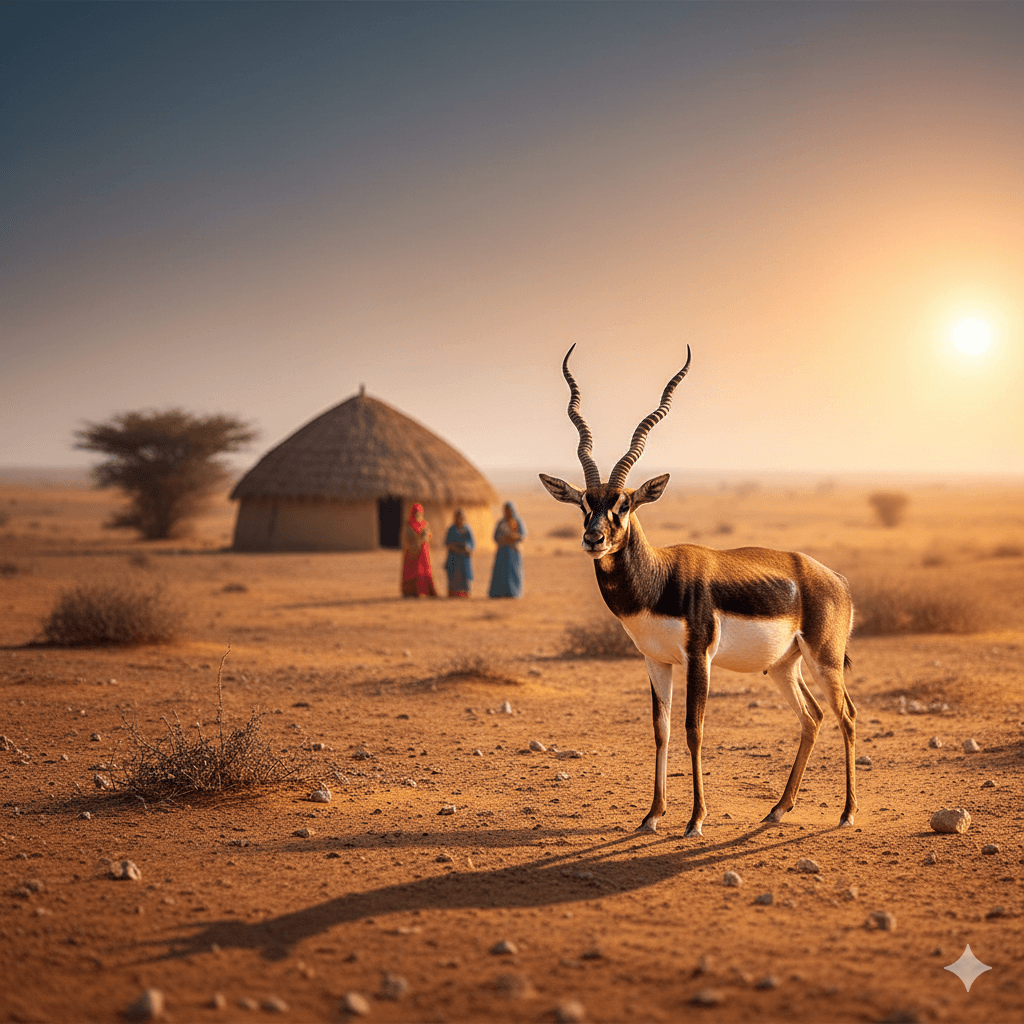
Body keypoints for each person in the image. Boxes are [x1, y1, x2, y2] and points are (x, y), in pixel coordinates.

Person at [488, 501, 526, 598]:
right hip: (502, 551)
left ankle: (513, 592)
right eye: (505, 510)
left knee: (513, 572)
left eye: (509, 510)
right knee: (501, 572)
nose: (507, 512)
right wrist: (503, 539)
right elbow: (495, 536)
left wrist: (514, 537)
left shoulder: (517, 522)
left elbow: (522, 535)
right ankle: (499, 592)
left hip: (513, 552)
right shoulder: (501, 523)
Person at [401, 503, 437, 598]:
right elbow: (405, 539)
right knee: (412, 571)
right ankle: (411, 592)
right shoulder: (408, 525)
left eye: (419, 512)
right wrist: (412, 546)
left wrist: (425, 537)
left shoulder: (425, 524)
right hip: (411, 553)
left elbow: (429, 535)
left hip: (423, 552)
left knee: (424, 571)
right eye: (415, 512)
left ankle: (425, 591)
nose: (417, 514)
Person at [444, 509, 475, 597]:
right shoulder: (451, 529)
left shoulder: (467, 529)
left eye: (462, 517)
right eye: (458, 517)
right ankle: (454, 592)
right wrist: (455, 547)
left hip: (464, 557)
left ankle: (466, 592)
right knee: (454, 575)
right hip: (454, 556)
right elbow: (447, 542)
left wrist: (467, 547)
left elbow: (472, 542)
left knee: (465, 574)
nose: (460, 519)